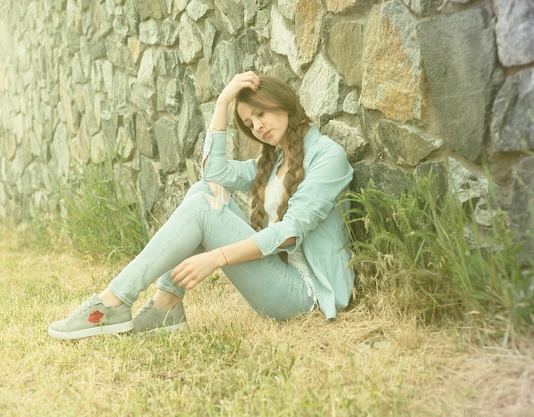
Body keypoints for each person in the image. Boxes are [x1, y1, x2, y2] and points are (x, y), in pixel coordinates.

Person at [48, 71, 355, 340]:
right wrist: (222, 103)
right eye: (250, 123)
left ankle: (114, 300)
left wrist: (216, 258)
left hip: (306, 294)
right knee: (203, 190)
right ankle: (165, 306)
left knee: (202, 209)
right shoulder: (273, 164)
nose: (257, 126)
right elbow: (214, 173)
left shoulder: (327, 156)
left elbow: (290, 233)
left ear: (285, 103)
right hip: (279, 277)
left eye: (261, 114)